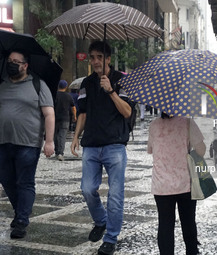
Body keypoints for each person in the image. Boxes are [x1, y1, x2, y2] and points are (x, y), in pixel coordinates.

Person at [71, 41, 132, 255]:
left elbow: (127, 112)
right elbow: (83, 113)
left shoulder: (122, 80)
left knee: (115, 194)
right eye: (92, 57)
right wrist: (76, 136)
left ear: (108, 58)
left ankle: (111, 238)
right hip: (91, 145)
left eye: (99, 57)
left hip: (115, 145)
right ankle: (101, 220)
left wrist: (110, 91)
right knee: (87, 189)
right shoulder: (86, 83)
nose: (95, 61)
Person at [0, 50, 55, 239]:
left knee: (24, 182)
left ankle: (22, 220)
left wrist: (49, 141)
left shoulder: (38, 84)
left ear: (25, 65)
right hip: (2, 142)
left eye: (16, 61)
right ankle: (20, 211)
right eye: (9, 61)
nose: (11, 64)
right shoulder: (2, 84)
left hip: (29, 143)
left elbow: (49, 114)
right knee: (6, 180)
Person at [147, 113, 205, 255]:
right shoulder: (188, 123)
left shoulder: (154, 125)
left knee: (165, 225)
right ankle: (192, 251)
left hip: (161, 185)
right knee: (188, 221)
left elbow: (150, 150)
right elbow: (201, 150)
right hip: (184, 182)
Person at [54, 80, 77, 161]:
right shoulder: (68, 96)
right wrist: (74, 116)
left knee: (55, 135)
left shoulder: (54, 95)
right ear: (66, 87)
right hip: (65, 119)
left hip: (54, 118)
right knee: (62, 136)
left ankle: (56, 151)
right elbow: (73, 108)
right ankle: (60, 153)